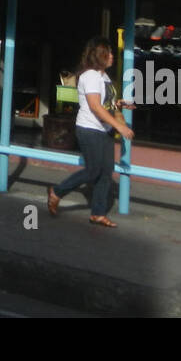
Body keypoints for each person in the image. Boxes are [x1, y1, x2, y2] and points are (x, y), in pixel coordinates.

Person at [47, 37, 135, 228]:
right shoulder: (91, 76)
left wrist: (119, 104)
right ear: (99, 56)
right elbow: (95, 107)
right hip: (89, 129)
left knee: (106, 173)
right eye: (109, 53)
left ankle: (98, 213)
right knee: (93, 170)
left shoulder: (103, 77)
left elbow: (105, 103)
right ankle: (57, 191)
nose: (112, 56)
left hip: (104, 130)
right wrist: (120, 126)